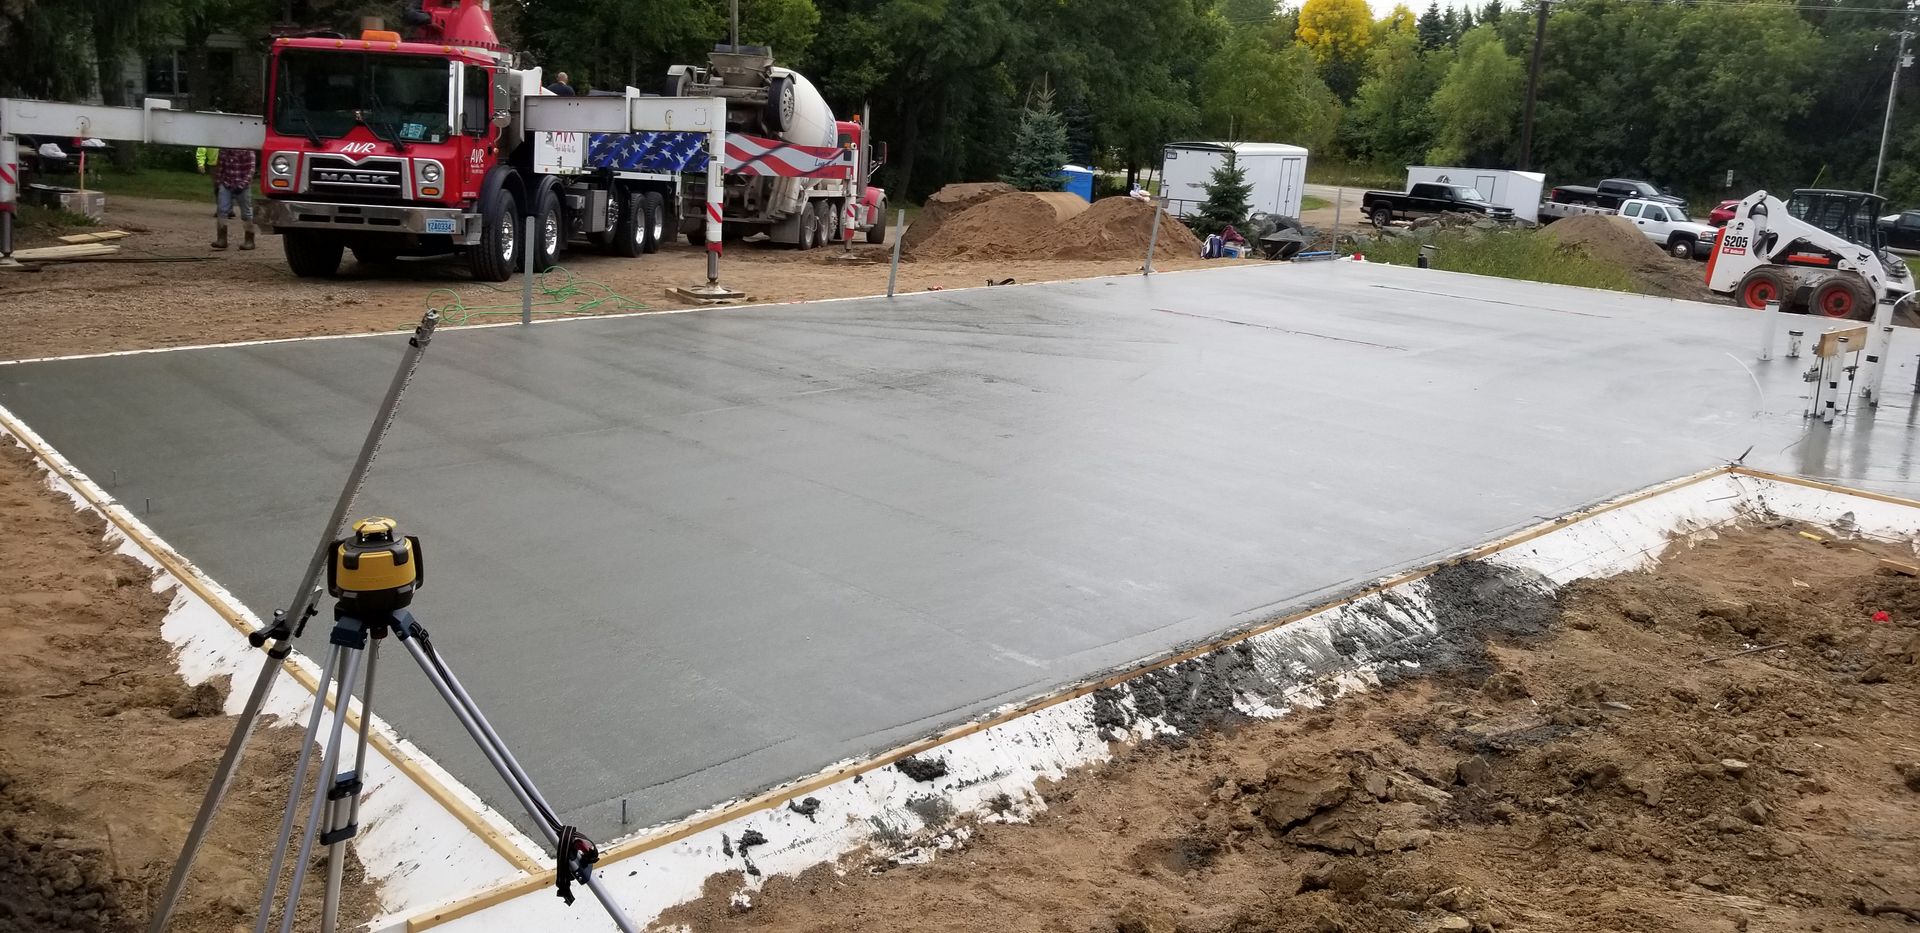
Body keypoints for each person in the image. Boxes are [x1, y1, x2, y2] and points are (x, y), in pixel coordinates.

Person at [210, 148, 258, 251]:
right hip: (226, 183)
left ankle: (249, 241)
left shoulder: (248, 152)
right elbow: (221, 168)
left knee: (246, 213)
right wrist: (218, 184)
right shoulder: (224, 151)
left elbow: (251, 170)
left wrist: (243, 185)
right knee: (222, 210)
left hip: (243, 185)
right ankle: (221, 239)